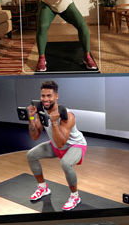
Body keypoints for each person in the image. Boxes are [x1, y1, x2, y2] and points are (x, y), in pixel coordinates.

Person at [25, 80, 88, 211]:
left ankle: (75, 196)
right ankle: (43, 188)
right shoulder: (42, 111)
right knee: (31, 155)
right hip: (56, 145)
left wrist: (54, 122)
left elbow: (61, 143)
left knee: (65, 163)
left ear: (56, 96)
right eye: (43, 96)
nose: (45, 99)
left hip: (75, 145)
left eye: (49, 96)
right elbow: (35, 136)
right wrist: (31, 118)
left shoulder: (67, 115)